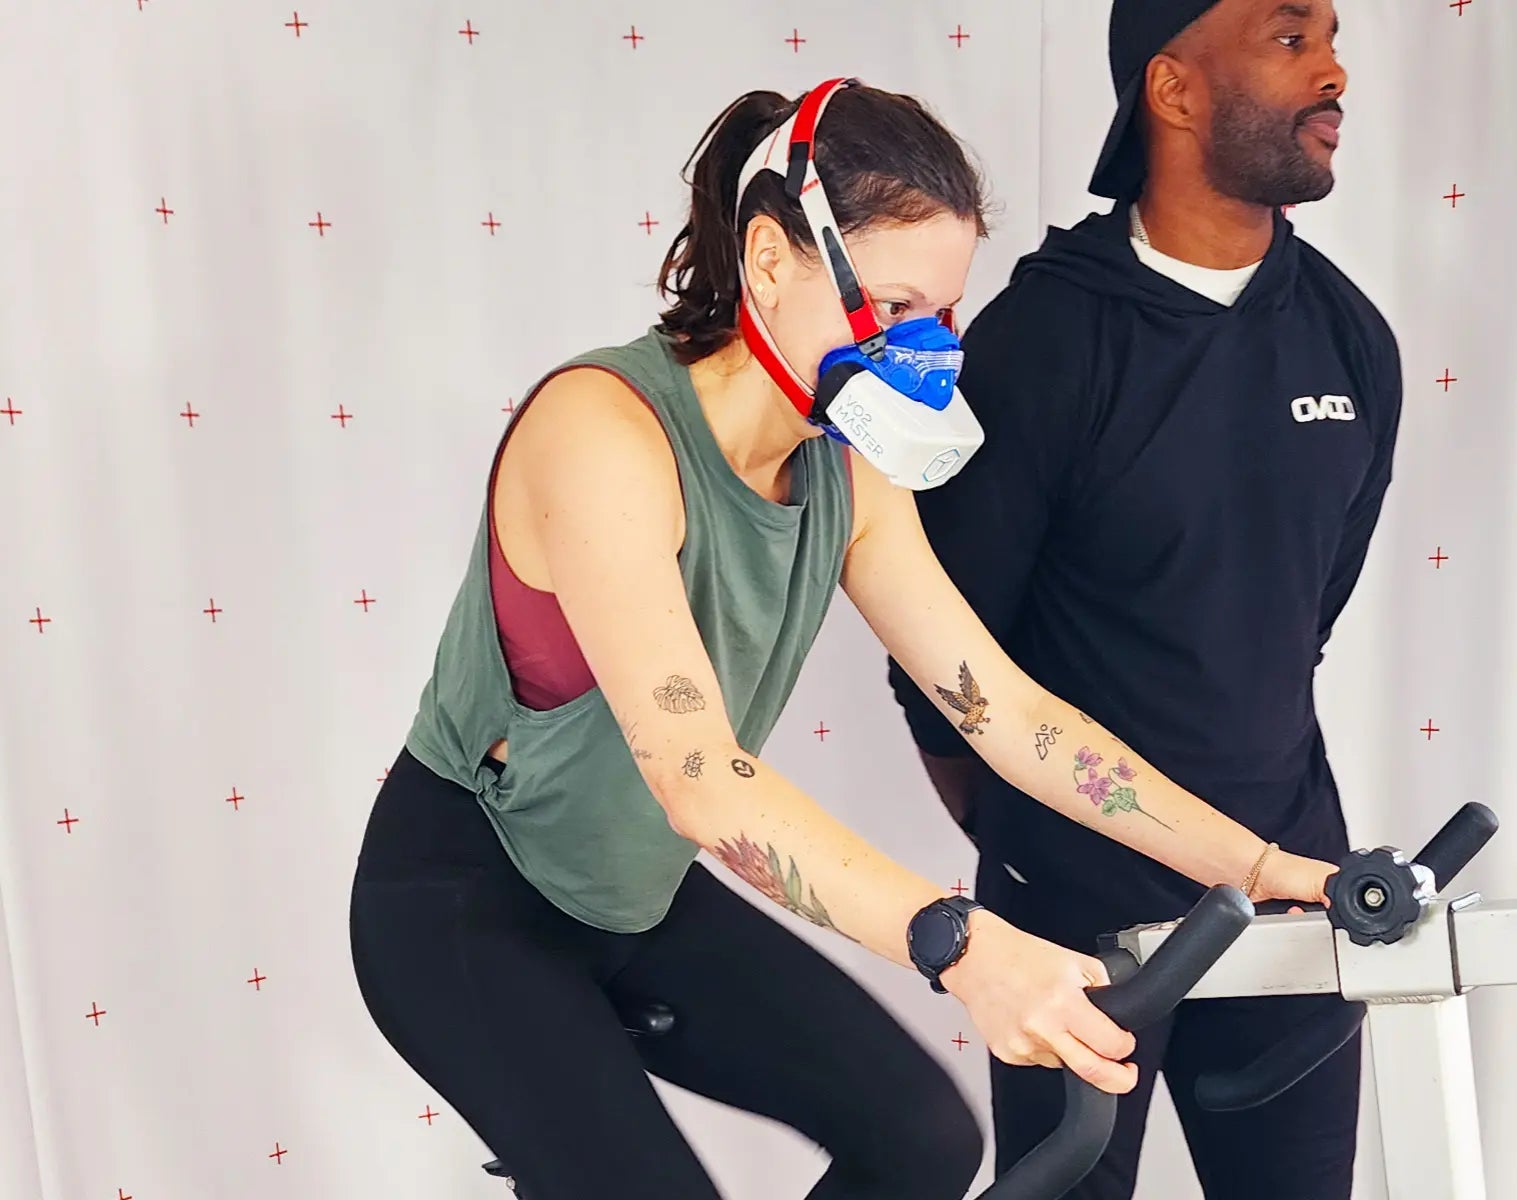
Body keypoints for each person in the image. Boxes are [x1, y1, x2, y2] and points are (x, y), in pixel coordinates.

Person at [347, 76, 1338, 1200]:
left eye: (946, 313)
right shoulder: (603, 435)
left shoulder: (846, 461)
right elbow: (704, 784)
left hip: (637, 897)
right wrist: (963, 945)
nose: (931, 346)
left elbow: (1005, 713)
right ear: (771, 259)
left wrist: (1262, 867)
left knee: (919, 1142)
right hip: (473, 902)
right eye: (898, 305)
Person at [887, 2, 1402, 1197]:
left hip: (1293, 886)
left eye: (1330, 36)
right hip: (1072, 915)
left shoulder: (1351, 340)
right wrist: (1040, 852)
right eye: (1289, 38)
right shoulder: (1040, 342)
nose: (1333, 72)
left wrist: (1264, 854)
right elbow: (945, 663)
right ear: (1171, 91)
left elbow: (1304, 615)